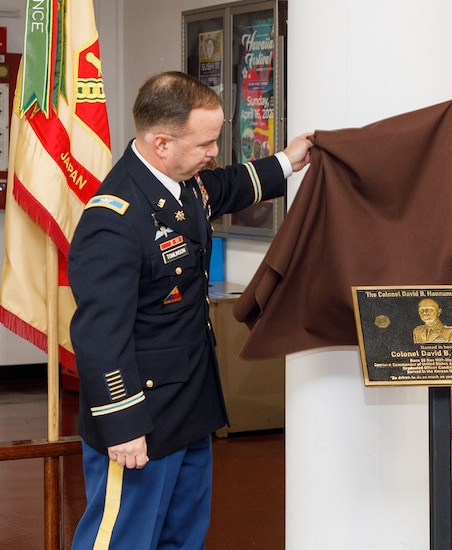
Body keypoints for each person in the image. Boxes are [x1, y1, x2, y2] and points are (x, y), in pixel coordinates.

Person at [67, 70, 312, 549]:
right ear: (162, 143)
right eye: (205, 143)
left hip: (190, 404)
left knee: (183, 537)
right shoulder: (113, 221)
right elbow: (100, 337)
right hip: (141, 416)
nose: (214, 152)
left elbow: (228, 185)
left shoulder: (183, 185)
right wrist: (123, 425)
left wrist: (288, 160)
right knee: (124, 539)